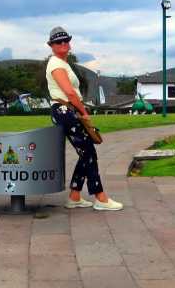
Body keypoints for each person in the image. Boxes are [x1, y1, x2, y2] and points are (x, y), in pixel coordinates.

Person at [46, 26, 123, 211]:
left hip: (69, 111)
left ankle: (75, 196)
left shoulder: (63, 63)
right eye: (58, 42)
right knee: (88, 152)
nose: (63, 44)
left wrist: (79, 110)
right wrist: (84, 112)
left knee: (86, 153)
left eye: (65, 40)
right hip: (65, 110)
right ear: (51, 46)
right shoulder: (56, 64)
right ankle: (100, 197)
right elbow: (70, 93)